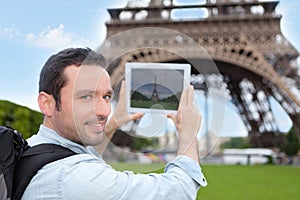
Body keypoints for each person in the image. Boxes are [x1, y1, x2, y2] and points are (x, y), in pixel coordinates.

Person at [22, 47, 207, 199]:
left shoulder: (31, 149)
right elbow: (181, 191)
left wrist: (112, 124)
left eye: (106, 96)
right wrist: (188, 133)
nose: (104, 111)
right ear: (47, 104)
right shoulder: (73, 178)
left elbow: (80, 156)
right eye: (85, 97)